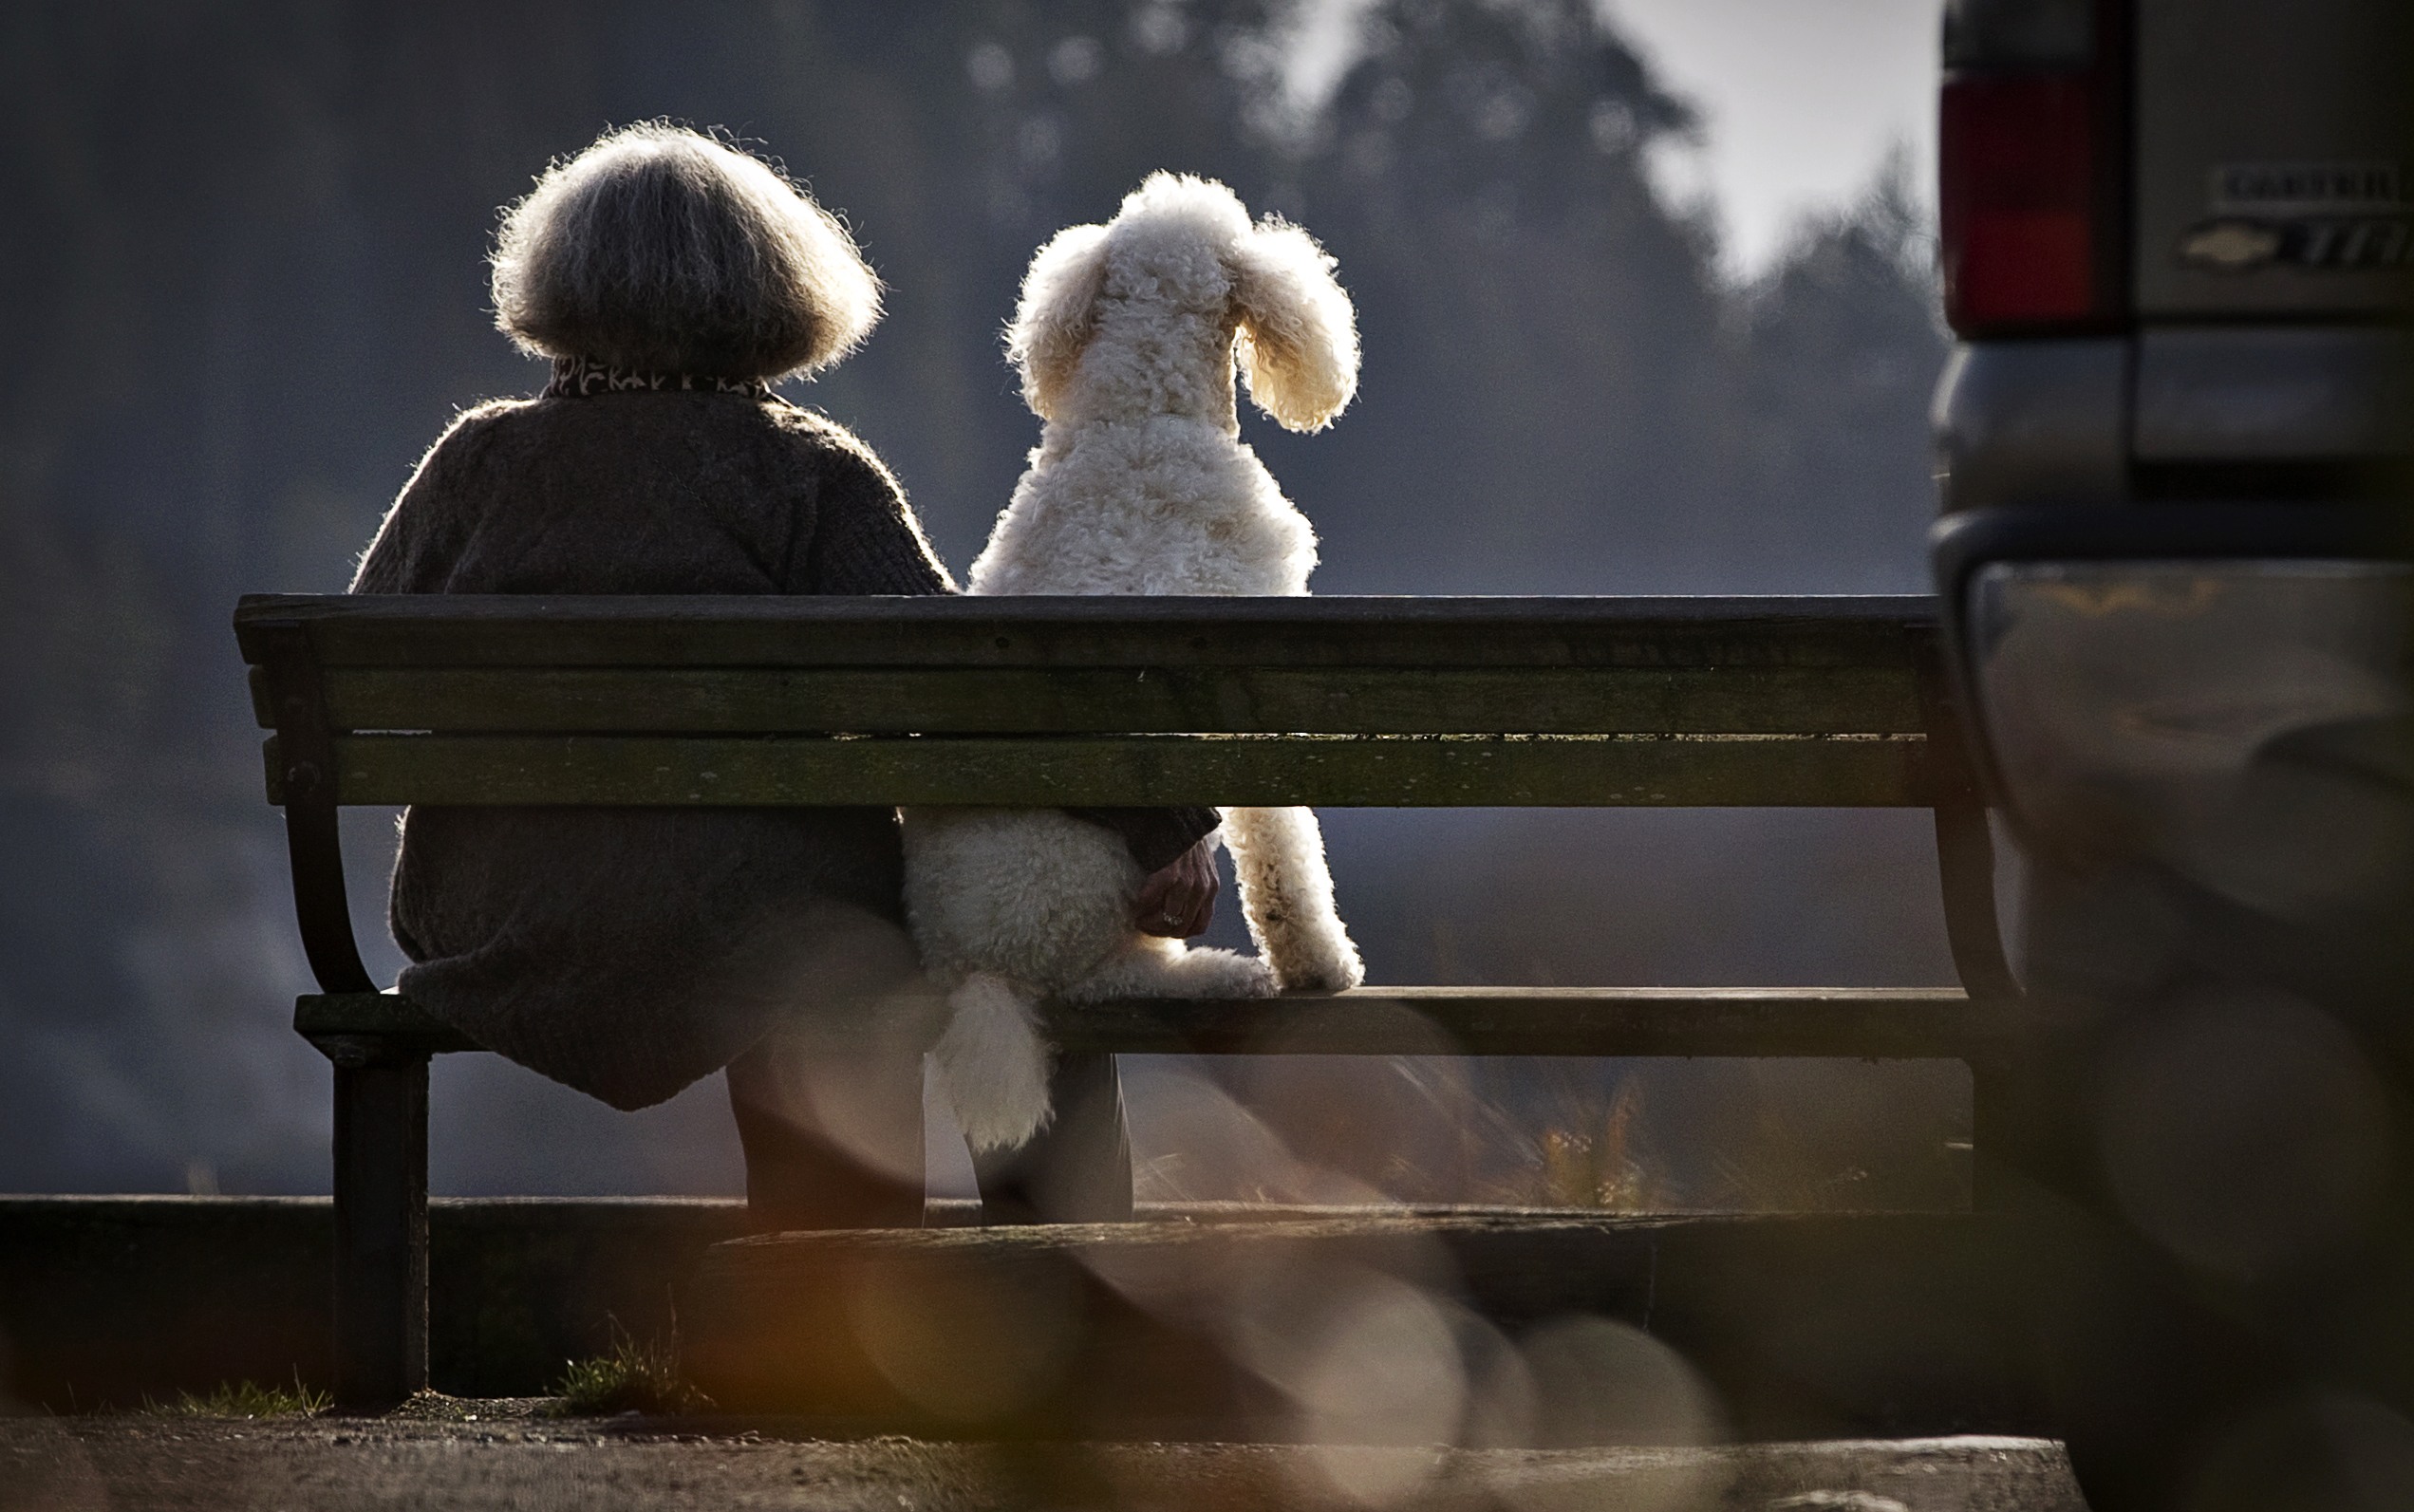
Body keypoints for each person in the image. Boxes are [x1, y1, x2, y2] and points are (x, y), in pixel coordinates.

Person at [349, 122, 1220, 1229]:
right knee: (973, 943)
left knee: (776, 897)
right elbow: (964, 699)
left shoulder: (472, 465)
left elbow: (367, 661)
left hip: (492, 916)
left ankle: (828, 1299)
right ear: (769, 289)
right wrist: (1158, 820)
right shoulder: (803, 474)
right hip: (757, 934)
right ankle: (1052, 1309)